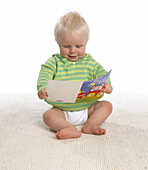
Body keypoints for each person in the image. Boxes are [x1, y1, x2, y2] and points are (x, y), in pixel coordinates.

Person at [37, 11, 113, 140]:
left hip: (87, 108)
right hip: (62, 111)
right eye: (66, 46)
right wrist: (42, 89)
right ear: (57, 42)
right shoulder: (54, 62)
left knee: (106, 105)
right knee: (48, 116)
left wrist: (107, 85)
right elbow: (45, 74)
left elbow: (101, 72)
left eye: (78, 46)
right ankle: (68, 127)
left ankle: (91, 123)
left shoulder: (90, 62)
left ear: (86, 42)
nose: (72, 51)